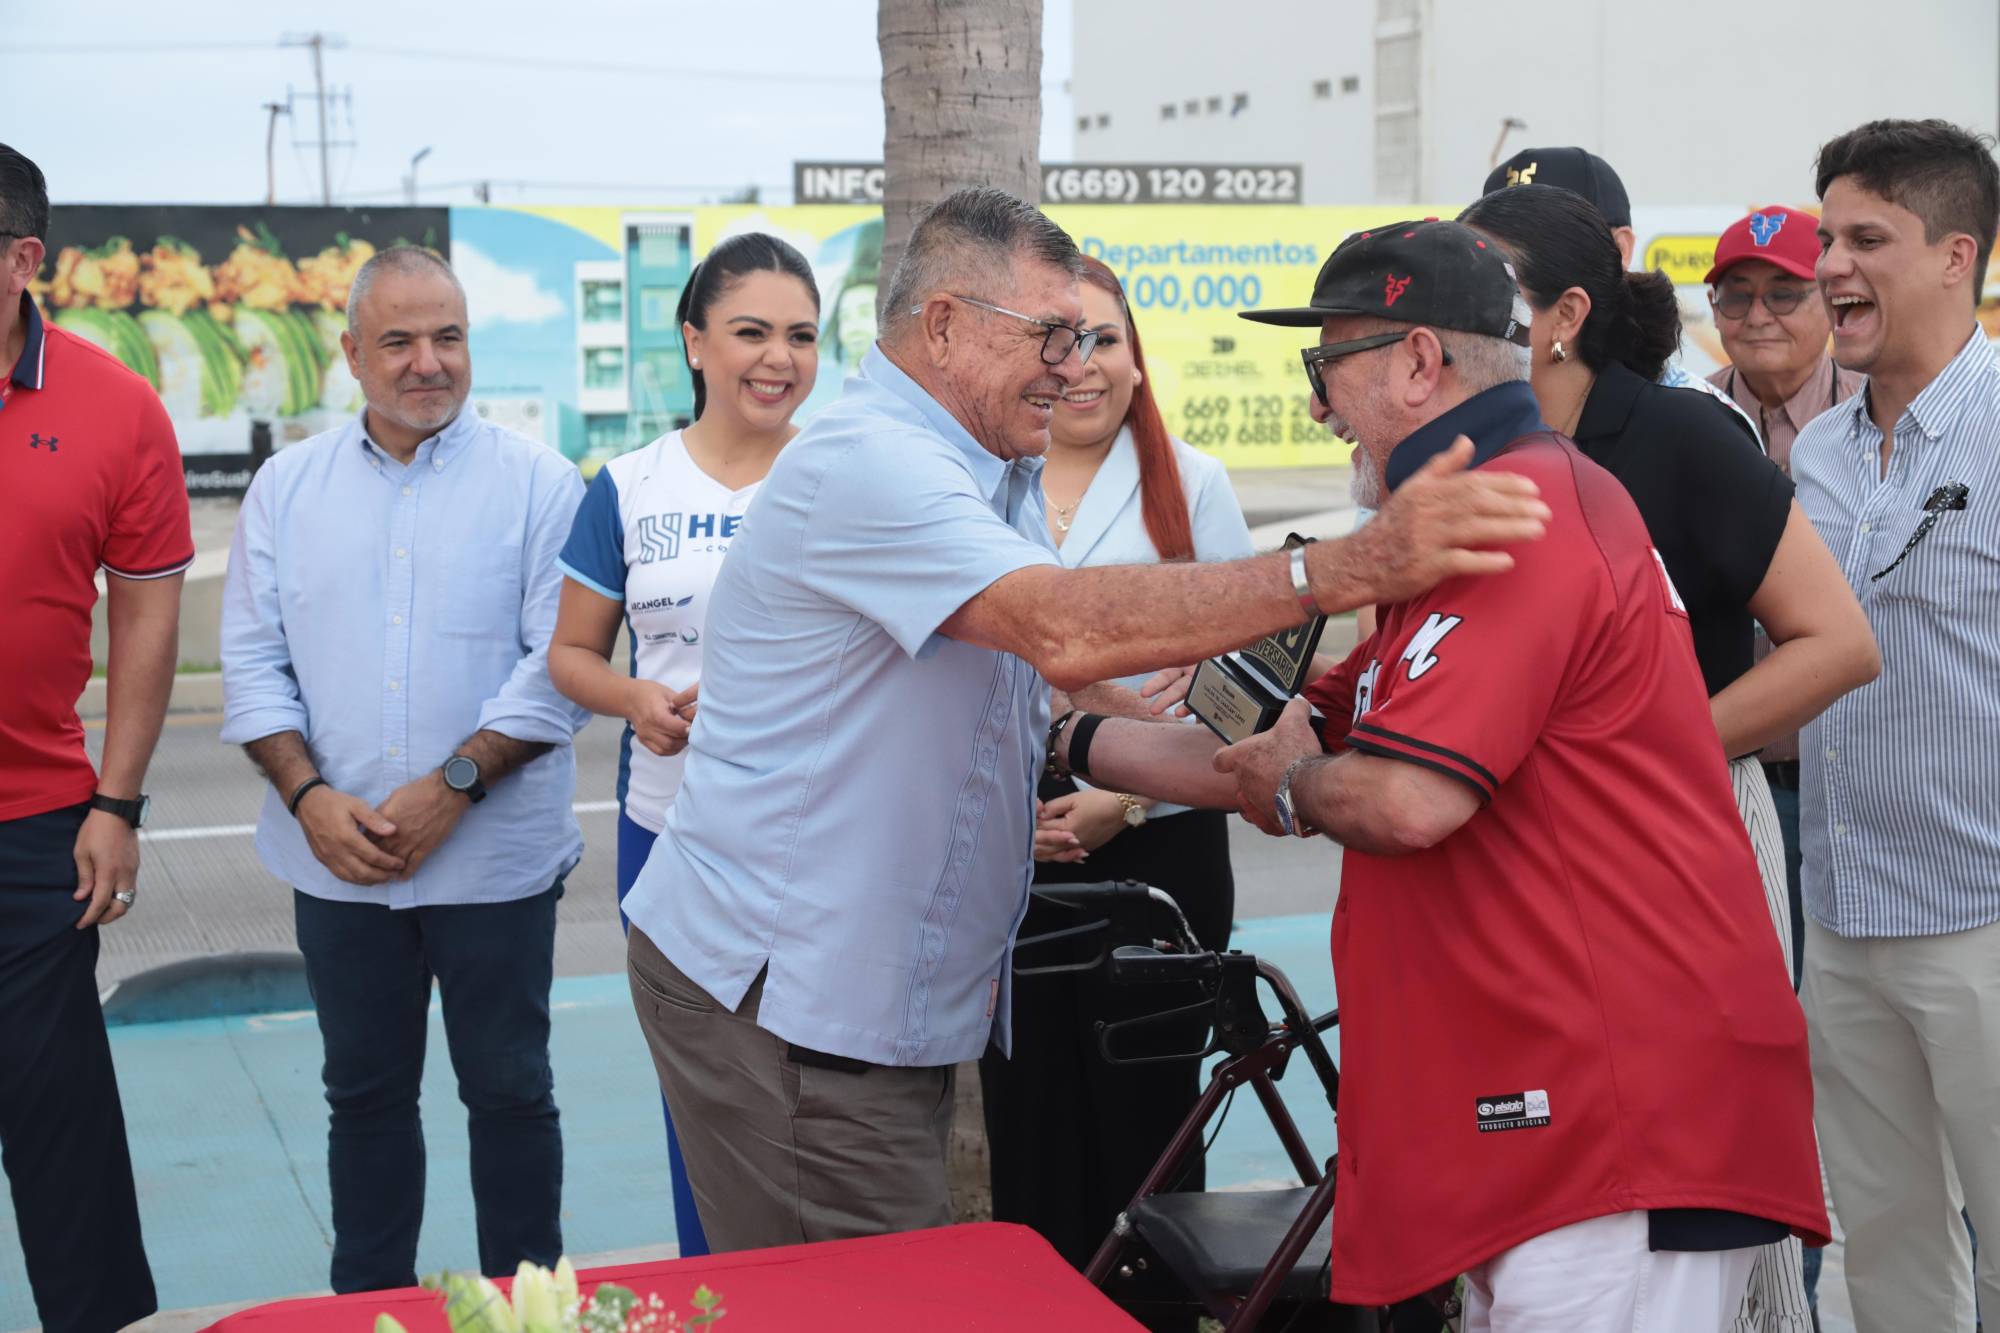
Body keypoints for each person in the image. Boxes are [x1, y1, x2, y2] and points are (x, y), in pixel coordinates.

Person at [617, 186, 1553, 1254]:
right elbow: (1055, 628)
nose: (1073, 364)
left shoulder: (984, 465)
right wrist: (1341, 568)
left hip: (864, 1003)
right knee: (860, 1301)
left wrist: (1256, 770)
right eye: (1049, 335)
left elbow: (1044, 696)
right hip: (792, 1009)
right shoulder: (872, 462)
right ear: (943, 327)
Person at [1056, 218, 1831, 1330]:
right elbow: (1256, 744)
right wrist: (1062, 736)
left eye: (1325, 368)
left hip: (1612, 1124)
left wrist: (1292, 783)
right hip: (1555, 1121)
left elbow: (1402, 798)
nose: (1317, 407)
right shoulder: (1447, 532)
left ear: (1421, 362)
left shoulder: (1516, 512)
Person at [1458, 184, 1878, 1332]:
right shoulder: (1455, 452)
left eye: (1480, 280)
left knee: (1697, 1189)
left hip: (1676, 832)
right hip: (1516, 858)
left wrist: (1643, 754)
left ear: (1562, 314)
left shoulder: (1678, 432)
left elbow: (1836, 642)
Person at [219, 245, 589, 1294]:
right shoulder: (287, 489)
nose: (427, 362)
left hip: (495, 865)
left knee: (512, 1093)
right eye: (399, 341)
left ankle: (527, 1310)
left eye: (449, 337)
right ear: (349, 353)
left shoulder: (539, 485)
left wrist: (454, 786)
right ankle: (366, 1306)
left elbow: (559, 666)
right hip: (338, 862)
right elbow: (250, 660)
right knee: (365, 1099)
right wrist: (308, 799)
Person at [548, 232, 821, 1258]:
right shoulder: (628, 486)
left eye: (799, 335)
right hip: (671, 838)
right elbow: (570, 655)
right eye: (750, 330)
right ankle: (720, 1301)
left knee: (822, 1105)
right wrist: (637, 697)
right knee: (704, 1103)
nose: (777, 358)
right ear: (694, 341)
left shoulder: (844, 475)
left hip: (820, 837)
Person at [978, 255, 1254, 1269]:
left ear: (1138, 358)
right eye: (1062, 339)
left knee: (1149, 1137)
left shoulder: (1194, 485)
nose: (1083, 364)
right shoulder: (978, 483)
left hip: (1158, 846)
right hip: (1008, 850)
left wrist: (1119, 804)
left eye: (1105, 338)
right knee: (1027, 1124)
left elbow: (1234, 704)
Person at [1791, 117, 2000, 1333]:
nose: (1829, 267)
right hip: (1844, 914)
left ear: (1953, 255)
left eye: (1865, 237)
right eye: (1827, 235)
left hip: (1983, 912)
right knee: (1882, 1244)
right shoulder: (1814, 453)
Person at [0, 142, 183, 1333]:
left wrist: (115, 803)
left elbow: (151, 610)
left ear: (22, 260)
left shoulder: (117, 406)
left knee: (57, 1125)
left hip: (35, 832)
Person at [1704, 203, 1867, 1000]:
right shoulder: (1689, 425)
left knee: (1843, 1023)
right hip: (1714, 776)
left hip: (1845, 779)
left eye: (1784, 292)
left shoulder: (1877, 420)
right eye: (1736, 294)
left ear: (1827, 304)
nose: (1758, 314)